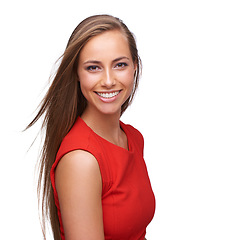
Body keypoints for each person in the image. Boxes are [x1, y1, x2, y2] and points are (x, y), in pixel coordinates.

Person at [28, 14, 155, 240]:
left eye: (120, 65)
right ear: (77, 73)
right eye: (93, 67)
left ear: (134, 67)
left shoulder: (133, 138)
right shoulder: (82, 159)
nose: (108, 80)